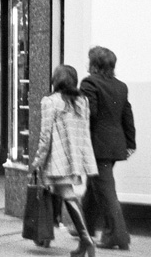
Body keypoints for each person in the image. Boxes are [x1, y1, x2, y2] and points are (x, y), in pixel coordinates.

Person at [31, 64, 99, 257]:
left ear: (55, 80)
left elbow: (45, 136)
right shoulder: (82, 101)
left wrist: (37, 161)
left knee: (67, 194)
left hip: (57, 158)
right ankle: (84, 244)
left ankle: (87, 240)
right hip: (74, 157)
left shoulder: (50, 101)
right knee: (67, 193)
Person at [80, 46, 136, 251]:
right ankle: (83, 227)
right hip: (115, 144)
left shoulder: (89, 83)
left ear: (94, 64)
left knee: (105, 191)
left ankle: (118, 236)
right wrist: (131, 142)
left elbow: (89, 114)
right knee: (95, 188)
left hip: (97, 145)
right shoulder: (121, 86)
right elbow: (127, 115)